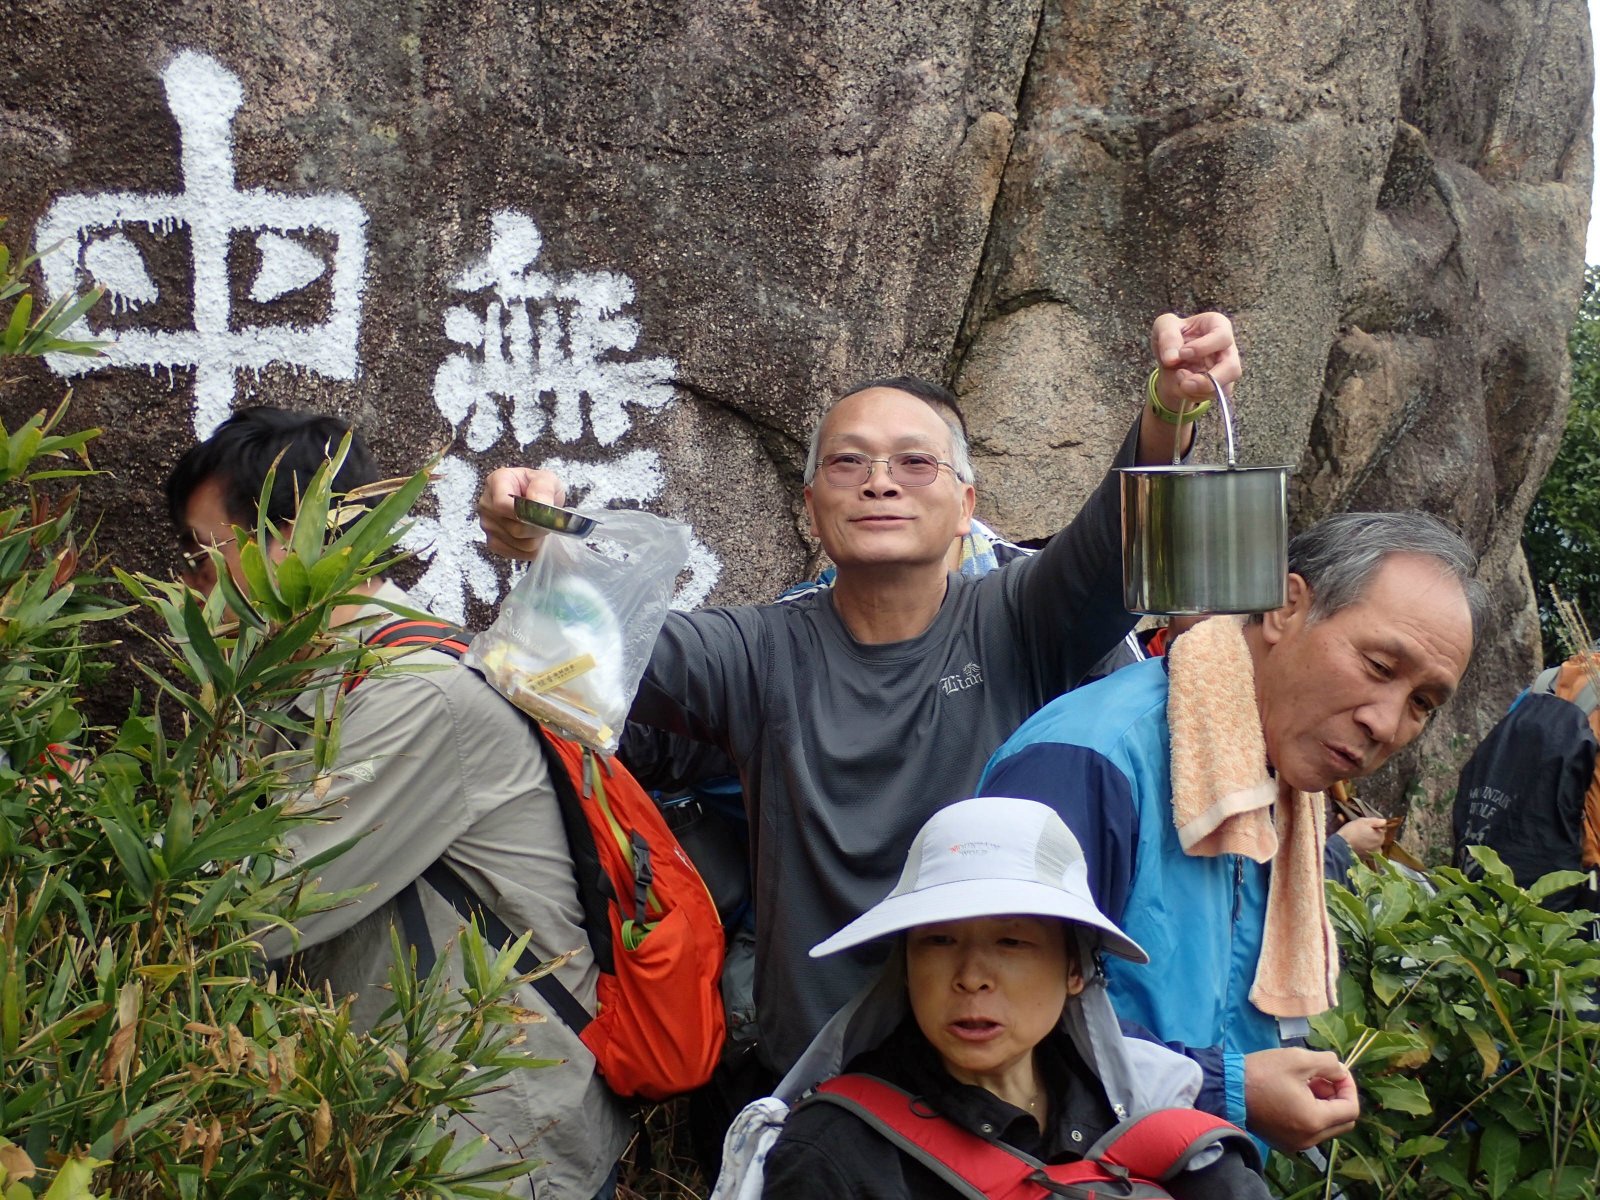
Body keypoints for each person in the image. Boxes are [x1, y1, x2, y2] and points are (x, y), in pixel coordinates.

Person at [478, 313, 1241, 1079]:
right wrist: (543, 547)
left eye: (915, 462)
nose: (880, 481)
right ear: (811, 506)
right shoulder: (759, 653)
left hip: (991, 1070)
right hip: (814, 1080)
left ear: (966, 506)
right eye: (848, 462)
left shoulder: (1016, 622)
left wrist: (1169, 409)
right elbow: (591, 649)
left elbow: (1110, 548)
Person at [166, 407, 631, 1200]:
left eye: (203, 555)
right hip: (402, 1122)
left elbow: (246, 914)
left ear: (295, 540)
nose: (191, 585)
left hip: (491, 1144)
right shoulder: (309, 677)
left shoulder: (420, 693)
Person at [979, 511, 1487, 1153]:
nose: (1386, 724)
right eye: (1380, 666)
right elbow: (986, 1026)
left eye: (1422, 704)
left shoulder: (1279, 782)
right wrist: (1226, 1091)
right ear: (1285, 607)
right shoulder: (1090, 762)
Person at [725, 797, 1268, 1200]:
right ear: (906, 969)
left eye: (1011, 942)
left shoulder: (1146, 1105)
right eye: (939, 941)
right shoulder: (833, 1155)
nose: (970, 977)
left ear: (1075, 970)